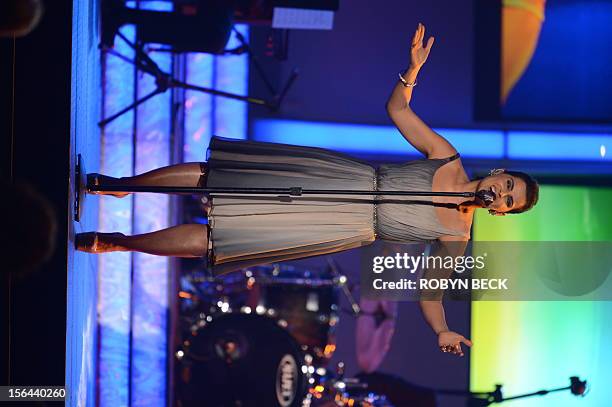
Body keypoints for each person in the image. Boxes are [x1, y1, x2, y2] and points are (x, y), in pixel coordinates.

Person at [77, 23, 539, 356]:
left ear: (501, 213)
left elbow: (430, 292)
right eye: (508, 185)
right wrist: (411, 71)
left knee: (224, 238)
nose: (502, 194)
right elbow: (398, 111)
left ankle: (119, 243)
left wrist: (441, 329)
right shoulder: (447, 155)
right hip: (344, 178)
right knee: (221, 174)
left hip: (345, 223)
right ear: (499, 174)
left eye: (509, 202)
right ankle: (120, 185)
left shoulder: (457, 237)